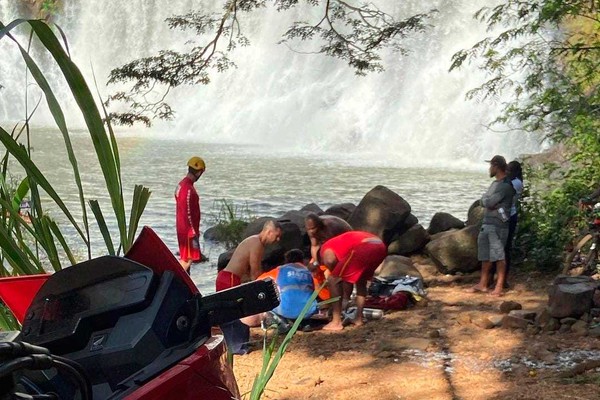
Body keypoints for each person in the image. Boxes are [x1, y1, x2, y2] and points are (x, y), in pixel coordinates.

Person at [215, 219, 282, 355]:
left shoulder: (254, 241)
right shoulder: (256, 244)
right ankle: (236, 346)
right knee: (236, 313)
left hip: (227, 276)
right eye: (277, 236)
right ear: (269, 232)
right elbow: (255, 273)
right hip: (230, 278)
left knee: (231, 313)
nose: (278, 240)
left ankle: (236, 343)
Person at [319, 231, 387, 331]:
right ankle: (358, 318)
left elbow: (330, 261)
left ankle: (336, 321)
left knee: (333, 280)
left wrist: (333, 274)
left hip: (364, 247)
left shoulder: (324, 248)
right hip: (380, 246)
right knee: (361, 280)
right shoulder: (339, 242)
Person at [468, 155, 515, 297]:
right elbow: (485, 200)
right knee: (485, 255)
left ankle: (499, 287)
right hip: (487, 222)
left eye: (491, 166)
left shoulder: (506, 186)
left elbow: (488, 202)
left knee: (499, 255)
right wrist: (488, 202)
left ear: (496, 166)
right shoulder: (495, 184)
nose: (489, 169)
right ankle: (483, 283)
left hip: (499, 225)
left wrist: (488, 202)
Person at [304, 213, 352, 300]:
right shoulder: (311, 230)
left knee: (334, 271)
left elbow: (335, 251)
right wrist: (316, 263)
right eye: (309, 229)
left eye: (313, 228)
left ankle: (342, 297)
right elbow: (314, 246)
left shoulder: (330, 227)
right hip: (327, 244)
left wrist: (329, 269)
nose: (311, 231)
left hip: (345, 240)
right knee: (314, 269)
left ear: (319, 225)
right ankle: (324, 296)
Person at [174, 156, 205, 273]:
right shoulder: (188, 189)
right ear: (199, 172)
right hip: (188, 231)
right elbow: (187, 211)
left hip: (182, 227)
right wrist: (193, 232)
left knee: (185, 258)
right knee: (187, 260)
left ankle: (185, 283)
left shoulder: (181, 185)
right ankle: (176, 278)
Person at [504, 160, 523, 286]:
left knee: (506, 248)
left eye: (509, 170)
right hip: (508, 214)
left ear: (515, 172)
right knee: (504, 247)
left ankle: (503, 279)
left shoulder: (515, 183)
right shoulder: (514, 181)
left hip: (508, 216)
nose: (507, 172)